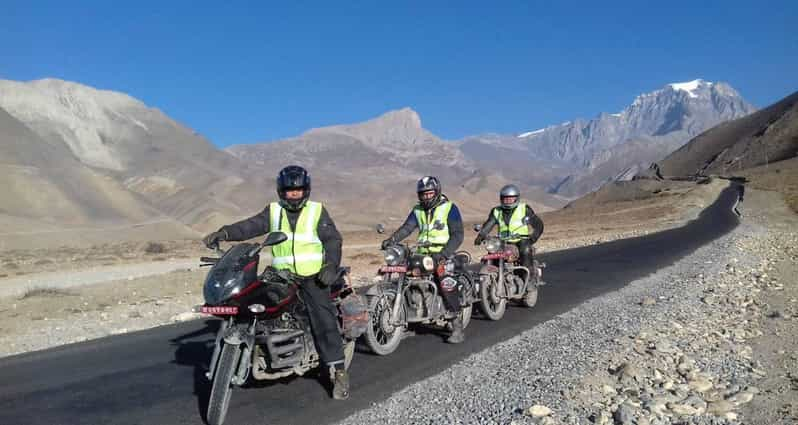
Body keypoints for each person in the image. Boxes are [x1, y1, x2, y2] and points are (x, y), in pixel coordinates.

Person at [201, 165, 350, 400]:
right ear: (281, 191)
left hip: (312, 277)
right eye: (289, 191)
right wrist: (225, 233)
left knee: (323, 317)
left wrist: (330, 266)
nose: (294, 194)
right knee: (253, 302)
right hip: (281, 276)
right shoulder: (273, 211)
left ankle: (338, 370)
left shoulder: (317, 211)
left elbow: (332, 240)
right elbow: (250, 226)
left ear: (306, 190)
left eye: (298, 190)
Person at [380, 176, 466, 344]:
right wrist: (392, 240)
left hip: (442, 252)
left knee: (444, 279)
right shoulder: (417, 210)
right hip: (422, 253)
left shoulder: (449, 208)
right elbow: (407, 227)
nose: (426, 197)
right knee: (405, 277)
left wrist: (444, 253)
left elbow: (458, 235)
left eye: (429, 193)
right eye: (423, 194)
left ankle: (456, 324)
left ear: (437, 191)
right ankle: (409, 320)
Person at [474, 184, 544, 273]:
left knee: (525, 250)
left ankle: (528, 278)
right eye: (505, 198)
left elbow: (538, 225)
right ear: (501, 198)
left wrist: (533, 237)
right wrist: (481, 235)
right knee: (492, 253)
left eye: (510, 198)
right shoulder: (496, 211)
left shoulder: (524, 209)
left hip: (520, 240)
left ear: (516, 198)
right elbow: (489, 224)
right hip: (502, 241)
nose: (508, 200)